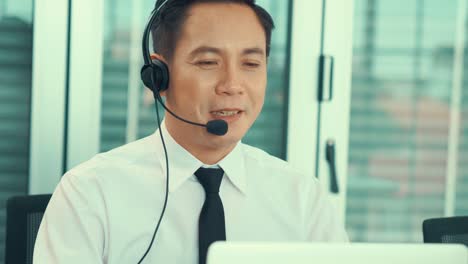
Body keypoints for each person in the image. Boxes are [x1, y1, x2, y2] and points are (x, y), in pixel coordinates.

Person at [33, 0, 348, 263]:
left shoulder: (304, 199)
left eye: (251, 64)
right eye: (209, 62)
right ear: (159, 76)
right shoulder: (89, 193)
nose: (232, 86)